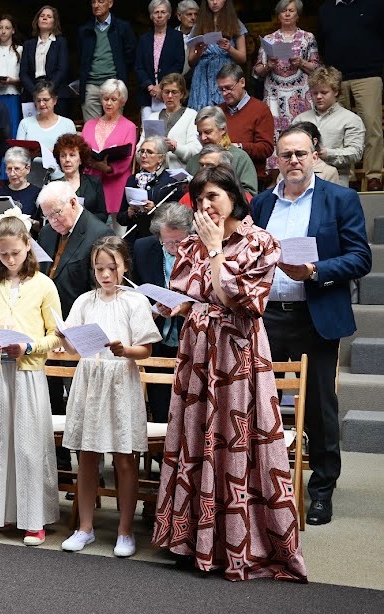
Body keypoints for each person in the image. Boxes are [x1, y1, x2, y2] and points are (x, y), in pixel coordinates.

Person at [152, 164, 308, 581]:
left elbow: (234, 298)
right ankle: (191, 540)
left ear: (234, 198)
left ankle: (236, 543)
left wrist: (215, 249)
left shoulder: (260, 242)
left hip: (236, 350)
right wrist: (171, 303)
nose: (206, 206)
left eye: (213, 197)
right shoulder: (190, 243)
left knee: (234, 437)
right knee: (195, 435)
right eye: (200, 198)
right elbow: (186, 294)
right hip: (198, 350)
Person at [252, 125, 372, 526]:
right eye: (286, 154)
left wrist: (315, 270)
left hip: (314, 315)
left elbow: (360, 258)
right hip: (268, 317)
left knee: (319, 408)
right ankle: (264, 487)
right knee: (260, 404)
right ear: (277, 160)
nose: (293, 161)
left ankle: (321, 492)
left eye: (300, 154)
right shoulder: (262, 204)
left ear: (315, 156)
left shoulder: (340, 199)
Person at [58, 235, 161, 557]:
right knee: (87, 455)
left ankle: (125, 530)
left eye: (111, 268)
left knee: (124, 456)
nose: (105, 274)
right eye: (99, 268)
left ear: (124, 266)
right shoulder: (84, 301)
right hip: (90, 379)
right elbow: (74, 348)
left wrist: (124, 349)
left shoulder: (134, 301)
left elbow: (146, 349)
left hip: (120, 380)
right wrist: (64, 336)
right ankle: (85, 527)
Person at [0, 209, 62, 546]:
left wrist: (29, 346)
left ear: (28, 246)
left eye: (16, 252)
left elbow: (56, 335)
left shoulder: (44, 284)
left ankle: (34, 520)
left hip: (28, 372)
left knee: (29, 445)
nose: (10, 259)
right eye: (3, 253)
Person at [36, 181, 114, 421]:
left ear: (72, 202)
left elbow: (99, 293)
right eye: (48, 216)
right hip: (46, 328)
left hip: (78, 330)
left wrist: (71, 333)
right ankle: (53, 446)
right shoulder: (47, 232)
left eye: (56, 213)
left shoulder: (99, 234)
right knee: (47, 402)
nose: (53, 221)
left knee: (81, 404)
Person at [131, 203, 193, 422]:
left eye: (180, 242)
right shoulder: (142, 248)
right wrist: (154, 309)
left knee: (190, 406)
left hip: (191, 339)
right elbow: (135, 292)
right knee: (160, 405)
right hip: (156, 337)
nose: (174, 247)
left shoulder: (202, 251)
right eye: (168, 242)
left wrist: (183, 308)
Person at [317, 0, 383, 191]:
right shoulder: (326, 9)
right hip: (337, 78)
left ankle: (374, 176)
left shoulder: (374, 5)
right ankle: (347, 176)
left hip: (369, 74)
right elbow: (323, 43)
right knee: (340, 127)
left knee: (372, 125)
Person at [251, 1, 319, 173]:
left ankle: (303, 168)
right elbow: (256, 72)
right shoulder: (269, 39)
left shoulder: (307, 37)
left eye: (291, 11)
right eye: (283, 11)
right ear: (278, 15)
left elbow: (317, 68)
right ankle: (275, 174)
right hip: (275, 94)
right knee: (274, 132)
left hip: (299, 94)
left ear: (298, 15)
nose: (287, 14)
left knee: (301, 130)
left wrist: (301, 63)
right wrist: (269, 65)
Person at [293, 66, 366, 188]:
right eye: (315, 93)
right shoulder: (300, 119)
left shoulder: (351, 119)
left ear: (336, 91)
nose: (318, 97)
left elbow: (356, 152)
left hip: (336, 181)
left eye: (324, 92)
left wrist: (328, 154)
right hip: (302, 182)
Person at [81, 78, 137, 222]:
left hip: (116, 183)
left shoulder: (129, 126)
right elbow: (81, 151)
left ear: (122, 101)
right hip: (92, 183)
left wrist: (107, 168)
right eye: (105, 99)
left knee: (117, 230)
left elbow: (128, 157)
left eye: (114, 99)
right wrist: (93, 163)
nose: (109, 103)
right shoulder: (89, 125)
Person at [117, 135, 185, 247]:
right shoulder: (133, 179)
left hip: (158, 240)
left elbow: (176, 218)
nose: (144, 155)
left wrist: (155, 210)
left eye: (149, 152)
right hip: (134, 240)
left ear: (161, 158)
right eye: (142, 151)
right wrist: (128, 213)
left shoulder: (171, 181)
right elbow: (120, 218)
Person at [78, 0, 136, 121]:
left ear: (110, 3)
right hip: (91, 84)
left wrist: (120, 75)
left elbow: (130, 55)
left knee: (114, 127)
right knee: (91, 128)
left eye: (100, 1)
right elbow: (80, 57)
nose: (96, 5)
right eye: (93, 2)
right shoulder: (85, 29)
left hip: (113, 83)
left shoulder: (122, 27)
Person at [215, 63, 275, 180]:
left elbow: (266, 148)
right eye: (221, 89)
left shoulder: (260, 109)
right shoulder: (218, 110)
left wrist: (239, 147)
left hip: (250, 177)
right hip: (221, 175)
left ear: (242, 82)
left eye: (229, 88)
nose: (225, 93)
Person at [187, 0, 247, 110]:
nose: (214, 2)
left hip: (225, 71)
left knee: (225, 111)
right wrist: (199, 52)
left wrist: (229, 48)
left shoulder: (235, 23)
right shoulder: (199, 25)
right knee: (203, 112)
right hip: (203, 74)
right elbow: (190, 61)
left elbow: (243, 58)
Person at [185, 105, 258, 195]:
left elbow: (249, 195)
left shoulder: (240, 158)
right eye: (200, 133)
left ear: (223, 129)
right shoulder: (193, 161)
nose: (203, 138)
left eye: (208, 132)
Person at [15, 80, 77, 181]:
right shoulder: (25, 123)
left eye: (46, 100)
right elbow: (18, 153)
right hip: (31, 177)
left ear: (55, 100)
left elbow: (73, 152)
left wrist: (53, 152)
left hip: (61, 177)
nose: (42, 104)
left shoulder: (67, 124)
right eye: (38, 100)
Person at [135, 0, 186, 120]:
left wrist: (162, 85)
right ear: (151, 16)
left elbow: (178, 64)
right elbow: (138, 66)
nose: (159, 15)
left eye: (163, 12)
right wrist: (150, 87)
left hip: (169, 91)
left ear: (169, 15)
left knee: (169, 126)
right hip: (148, 93)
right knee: (150, 128)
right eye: (156, 12)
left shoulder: (177, 37)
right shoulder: (144, 39)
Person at [140, 73, 201, 170]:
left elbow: (196, 151)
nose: (169, 96)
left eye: (174, 92)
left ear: (182, 94)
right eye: (166, 92)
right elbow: (138, 150)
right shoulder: (152, 117)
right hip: (152, 174)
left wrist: (175, 148)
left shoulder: (191, 115)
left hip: (180, 174)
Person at [20, 6, 70, 114]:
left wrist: (48, 90)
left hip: (56, 92)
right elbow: (23, 73)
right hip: (32, 93)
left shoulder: (61, 42)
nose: (44, 18)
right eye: (42, 16)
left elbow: (62, 69)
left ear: (54, 22)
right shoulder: (28, 44)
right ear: (37, 20)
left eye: (49, 16)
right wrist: (35, 92)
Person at [53, 133, 107, 223]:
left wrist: (82, 218)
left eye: (72, 155)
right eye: (63, 155)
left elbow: (103, 215)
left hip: (89, 229)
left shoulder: (94, 182)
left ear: (81, 159)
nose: (67, 160)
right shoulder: (53, 186)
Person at [0, 147, 42, 223]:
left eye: (17, 169)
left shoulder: (38, 194)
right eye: (9, 169)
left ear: (27, 169)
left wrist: (30, 221)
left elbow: (42, 226)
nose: (12, 174)